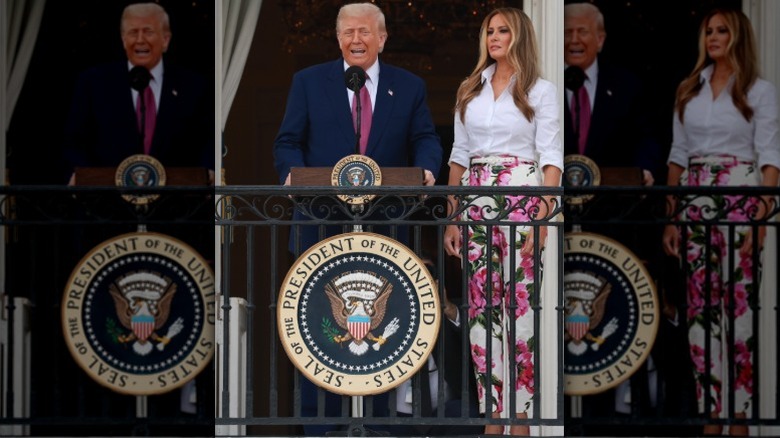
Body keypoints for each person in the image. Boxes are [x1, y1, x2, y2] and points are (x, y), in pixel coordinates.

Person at [271, 3, 442, 435]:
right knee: (315, 331)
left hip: (386, 227)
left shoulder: (409, 86)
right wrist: (291, 173)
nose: (356, 40)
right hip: (319, 226)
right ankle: (320, 427)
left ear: (382, 38)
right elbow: (287, 142)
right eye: (347, 32)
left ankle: (380, 425)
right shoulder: (308, 82)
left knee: (387, 332)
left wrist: (426, 170)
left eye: (365, 31)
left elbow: (425, 139)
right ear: (337, 38)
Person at [443, 8, 562, 436]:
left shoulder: (541, 90)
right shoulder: (469, 88)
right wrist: (452, 218)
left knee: (520, 312)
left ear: (520, 35)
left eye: (503, 30)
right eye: (489, 31)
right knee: (481, 312)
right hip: (474, 206)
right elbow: (457, 158)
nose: (494, 37)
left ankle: (522, 420)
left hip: (522, 203)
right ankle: (494, 417)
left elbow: (551, 161)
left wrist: (542, 218)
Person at [662, 8, 780, 436]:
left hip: (741, 202)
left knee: (739, 312)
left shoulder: (759, 91)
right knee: (700, 313)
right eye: (708, 31)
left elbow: (769, 160)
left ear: (738, 35)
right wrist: (672, 218)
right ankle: (712, 412)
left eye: (722, 30)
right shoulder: (688, 89)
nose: (712, 37)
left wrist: (760, 220)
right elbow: (676, 157)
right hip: (694, 204)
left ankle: (740, 417)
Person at [64, 2, 214, 184]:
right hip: (108, 206)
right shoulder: (93, 83)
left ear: (165, 40)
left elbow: (208, 139)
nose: (140, 40)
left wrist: (209, 172)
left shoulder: (193, 86)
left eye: (148, 32)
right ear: (123, 39)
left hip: (177, 206)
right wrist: (78, 174)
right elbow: (75, 141)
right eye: (133, 32)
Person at [563, 2, 657, 186]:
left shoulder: (627, 86)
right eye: (567, 32)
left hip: (611, 206)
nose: (574, 39)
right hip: (554, 205)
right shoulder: (544, 84)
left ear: (600, 40)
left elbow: (646, 138)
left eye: (582, 31)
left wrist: (644, 169)